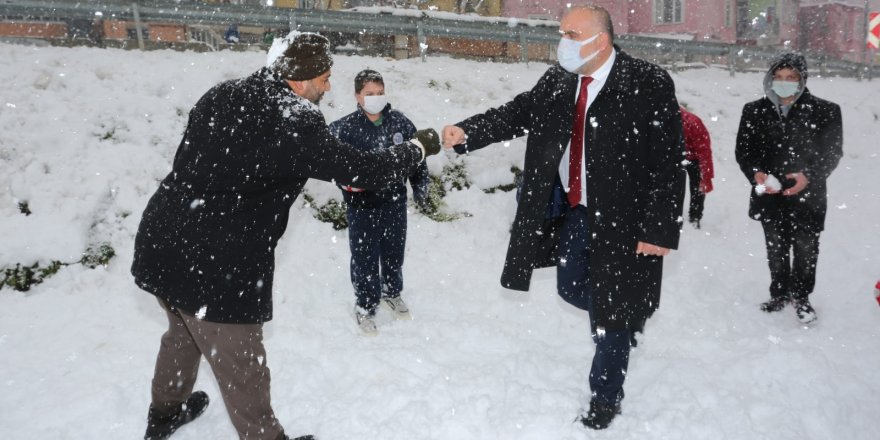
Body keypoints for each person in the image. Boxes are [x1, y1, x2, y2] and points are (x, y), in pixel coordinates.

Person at [131, 32, 440, 440]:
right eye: (325, 78)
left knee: (185, 331)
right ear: (299, 80)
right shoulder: (295, 119)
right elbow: (367, 171)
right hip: (217, 263)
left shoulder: (222, 94)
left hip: (163, 238)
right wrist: (420, 147)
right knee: (242, 366)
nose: (329, 87)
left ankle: (165, 412)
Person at [441, 5, 684, 430]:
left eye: (572, 34)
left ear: (601, 40)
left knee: (608, 314)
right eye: (562, 33)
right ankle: (622, 323)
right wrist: (468, 132)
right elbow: (517, 113)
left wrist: (658, 227)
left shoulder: (646, 82)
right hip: (578, 211)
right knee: (572, 288)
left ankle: (605, 398)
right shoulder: (558, 81)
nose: (563, 41)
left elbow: (668, 162)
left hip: (625, 219)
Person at [735, 52, 842, 324]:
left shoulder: (826, 111)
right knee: (776, 248)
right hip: (770, 196)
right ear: (770, 79)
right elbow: (744, 152)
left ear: (802, 79)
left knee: (806, 249)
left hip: (809, 196)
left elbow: (832, 153)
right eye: (779, 77)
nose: (784, 82)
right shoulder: (754, 111)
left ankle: (802, 297)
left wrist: (809, 176)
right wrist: (756, 173)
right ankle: (779, 293)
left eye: (791, 77)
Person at [329, 69, 429, 334]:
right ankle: (365, 305)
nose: (375, 98)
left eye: (380, 93)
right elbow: (331, 166)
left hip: (394, 203)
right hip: (362, 208)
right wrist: (347, 184)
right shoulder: (343, 128)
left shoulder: (400, 123)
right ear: (357, 96)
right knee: (365, 258)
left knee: (394, 252)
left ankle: (392, 293)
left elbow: (417, 156)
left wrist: (421, 188)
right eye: (369, 94)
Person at [680, 106, 714, 228]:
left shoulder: (692, 122)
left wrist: (706, 175)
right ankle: (674, 214)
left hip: (694, 158)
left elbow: (704, 151)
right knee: (675, 186)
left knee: (698, 186)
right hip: (675, 157)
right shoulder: (663, 120)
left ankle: (695, 216)